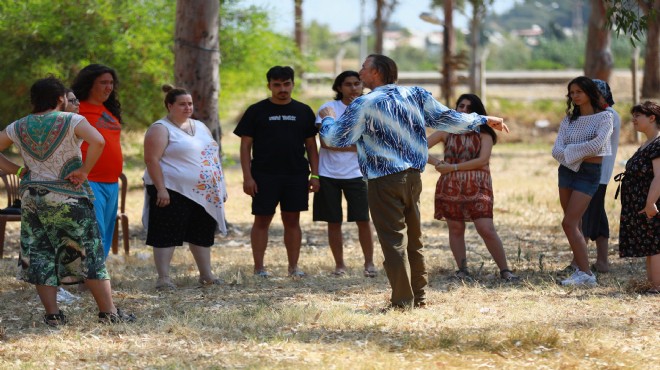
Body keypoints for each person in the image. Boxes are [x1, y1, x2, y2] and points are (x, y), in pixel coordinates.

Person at [318, 54, 508, 310]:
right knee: (414, 238)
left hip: (383, 180)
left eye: (364, 67)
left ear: (375, 73)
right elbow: (448, 118)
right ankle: (419, 296)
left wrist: (328, 117)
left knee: (393, 240)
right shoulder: (415, 94)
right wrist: (483, 119)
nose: (360, 71)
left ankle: (402, 301)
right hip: (412, 178)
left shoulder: (363, 103)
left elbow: (334, 139)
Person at [0, 76, 135, 326]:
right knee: (88, 254)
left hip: (32, 198)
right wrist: (84, 170)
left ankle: (53, 315)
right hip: (68, 197)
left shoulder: (18, 126)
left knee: (40, 254)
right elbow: (99, 141)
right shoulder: (72, 120)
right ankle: (109, 313)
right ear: (60, 98)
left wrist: (18, 171)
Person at [234, 66, 319, 278]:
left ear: (293, 84)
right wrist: (247, 177)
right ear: (269, 86)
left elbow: (311, 146)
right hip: (264, 175)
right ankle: (259, 268)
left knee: (292, 221)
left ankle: (293, 268)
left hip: (296, 175)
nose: (282, 89)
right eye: (277, 85)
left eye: (286, 84)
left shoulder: (303, 111)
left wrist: (315, 175)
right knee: (262, 221)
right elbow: (245, 146)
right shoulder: (256, 111)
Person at [143, 85, 228, 290]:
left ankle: (206, 275)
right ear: (169, 105)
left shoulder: (200, 126)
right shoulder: (160, 128)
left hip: (204, 191)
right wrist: (161, 189)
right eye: (182, 104)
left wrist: (220, 186)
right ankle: (163, 278)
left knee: (202, 232)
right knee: (166, 232)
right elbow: (151, 160)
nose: (187, 107)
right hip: (171, 189)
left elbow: (212, 157)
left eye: (190, 104)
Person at [427, 94, 518, 282]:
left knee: (486, 228)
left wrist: (452, 167)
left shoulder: (484, 134)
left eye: (469, 108)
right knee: (456, 228)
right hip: (450, 185)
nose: (464, 110)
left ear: (477, 112)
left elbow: (482, 160)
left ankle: (505, 270)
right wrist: (437, 163)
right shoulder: (447, 130)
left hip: (478, 185)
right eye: (461, 106)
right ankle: (462, 270)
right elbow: (418, 147)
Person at [552, 76, 613, 287]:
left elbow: (597, 145)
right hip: (566, 171)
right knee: (573, 224)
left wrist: (569, 152)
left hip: (589, 173)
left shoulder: (605, 118)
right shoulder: (569, 120)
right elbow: (555, 150)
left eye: (579, 91)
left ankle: (587, 274)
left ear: (588, 92)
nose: (575, 96)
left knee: (568, 223)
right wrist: (575, 153)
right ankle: (580, 270)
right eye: (572, 92)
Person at [313, 71, 376, 277]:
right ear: (339, 87)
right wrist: (355, 144)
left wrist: (340, 141)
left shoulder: (370, 109)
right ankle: (339, 265)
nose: (353, 88)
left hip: (358, 174)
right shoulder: (327, 109)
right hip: (328, 173)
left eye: (357, 84)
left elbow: (371, 144)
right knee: (334, 221)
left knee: (363, 220)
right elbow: (325, 142)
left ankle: (369, 263)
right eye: (348, 84)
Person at [72, 64, 123, 259]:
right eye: (103, 82)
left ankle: (94, 278)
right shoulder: (76, 110)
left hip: (111, 182)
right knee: (95, 231)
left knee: (106, 233)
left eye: (111, 83)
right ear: (89, 84)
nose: (109, 87)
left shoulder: (109, 110)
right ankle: (91, 279)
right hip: (88, 179)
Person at [617, 101, 660, 294]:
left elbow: (659, 176)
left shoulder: (658, 144)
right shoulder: (647, 144)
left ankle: (657, 286)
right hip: (642, 204)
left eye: (638, 116)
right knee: (651, 245)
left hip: (654, 203)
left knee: (656, 244)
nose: (633, 119)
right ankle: (653, 285)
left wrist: (650, 202)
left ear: (652, 118)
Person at [578, 79, 620, 273]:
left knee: (585, 215)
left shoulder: (608, 116)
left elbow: (592, 143)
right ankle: (602, 261)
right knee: (596, 215)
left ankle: (578, 262)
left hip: (597, 173)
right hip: (589, 173)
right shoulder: (597, 114)